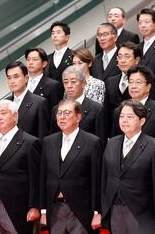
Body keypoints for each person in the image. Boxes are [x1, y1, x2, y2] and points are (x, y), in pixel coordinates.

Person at [101, 100, 155, 233]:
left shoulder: (154, 146)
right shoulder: (112, 143)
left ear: (142, 121)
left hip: (141, 211)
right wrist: (102, 208)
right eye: (122, 116)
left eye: (130, 117)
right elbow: (105, 177)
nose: (124, 120)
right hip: (115, 208)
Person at [0, 99, 41, 234]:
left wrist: (34, 206)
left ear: (15, 116)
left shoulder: (30, 142)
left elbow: (36, 178)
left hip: (17, 206)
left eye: (3, 113)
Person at [40, 100, 102, 234]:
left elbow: (97, 179)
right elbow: (43, 177)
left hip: (80, 210)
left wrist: (97, 211)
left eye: (67, 113)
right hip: (55, 210)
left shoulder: (92, 142)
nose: (62, 116)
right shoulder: (48, 141)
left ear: (78, 117)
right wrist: (43, 210)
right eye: (59, 113)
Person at [112, 65, 155, 156]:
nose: (133, 86)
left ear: (148, 86)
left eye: (138, 82)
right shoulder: (119, 111)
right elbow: (115, 142)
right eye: (131, 82)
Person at [50, 66, 106, 146]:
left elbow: (101, 141)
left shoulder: (97, 109)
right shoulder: (57, 108)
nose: (69, 86)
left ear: (83, 83)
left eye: (73, 82)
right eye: (66, 82)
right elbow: (53, 138)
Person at [1, 61, 51, 139]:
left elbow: (44, 136)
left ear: (26, 78)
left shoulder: (39, 103)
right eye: (9, 78)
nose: (12, 81)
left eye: (16, 77)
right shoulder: (2, 104)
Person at [104, 41, 141, 131]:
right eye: (120, 57)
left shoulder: (143, 81)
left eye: (127, 57)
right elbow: (106, 112)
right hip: (114, 132)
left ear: (137, 60)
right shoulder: (110, 81)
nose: (122, 60)